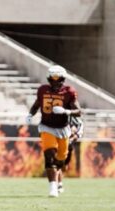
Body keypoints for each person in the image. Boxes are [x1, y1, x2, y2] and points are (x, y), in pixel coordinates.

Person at [26, 65, 81, 197]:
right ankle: (53, 187)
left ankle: (59, 180)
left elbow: (78, 112)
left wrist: (66, 111)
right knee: (49, 155)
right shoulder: (43, 90)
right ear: (49, 79)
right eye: (53, 80)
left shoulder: (69, 92)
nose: (56, 82)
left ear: (63, 79)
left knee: (61, 158)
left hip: (63, 129)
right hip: (46, 127)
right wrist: (30, 114)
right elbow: (36, 105)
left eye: (59, 80)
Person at [57, 116, 84, 193]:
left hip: (69, 144)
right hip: (58, 143)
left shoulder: (73, 118)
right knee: (57, 164)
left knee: (64, 167)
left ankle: (59, 181)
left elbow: (80, 126)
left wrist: (75, 135)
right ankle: (59, 184)